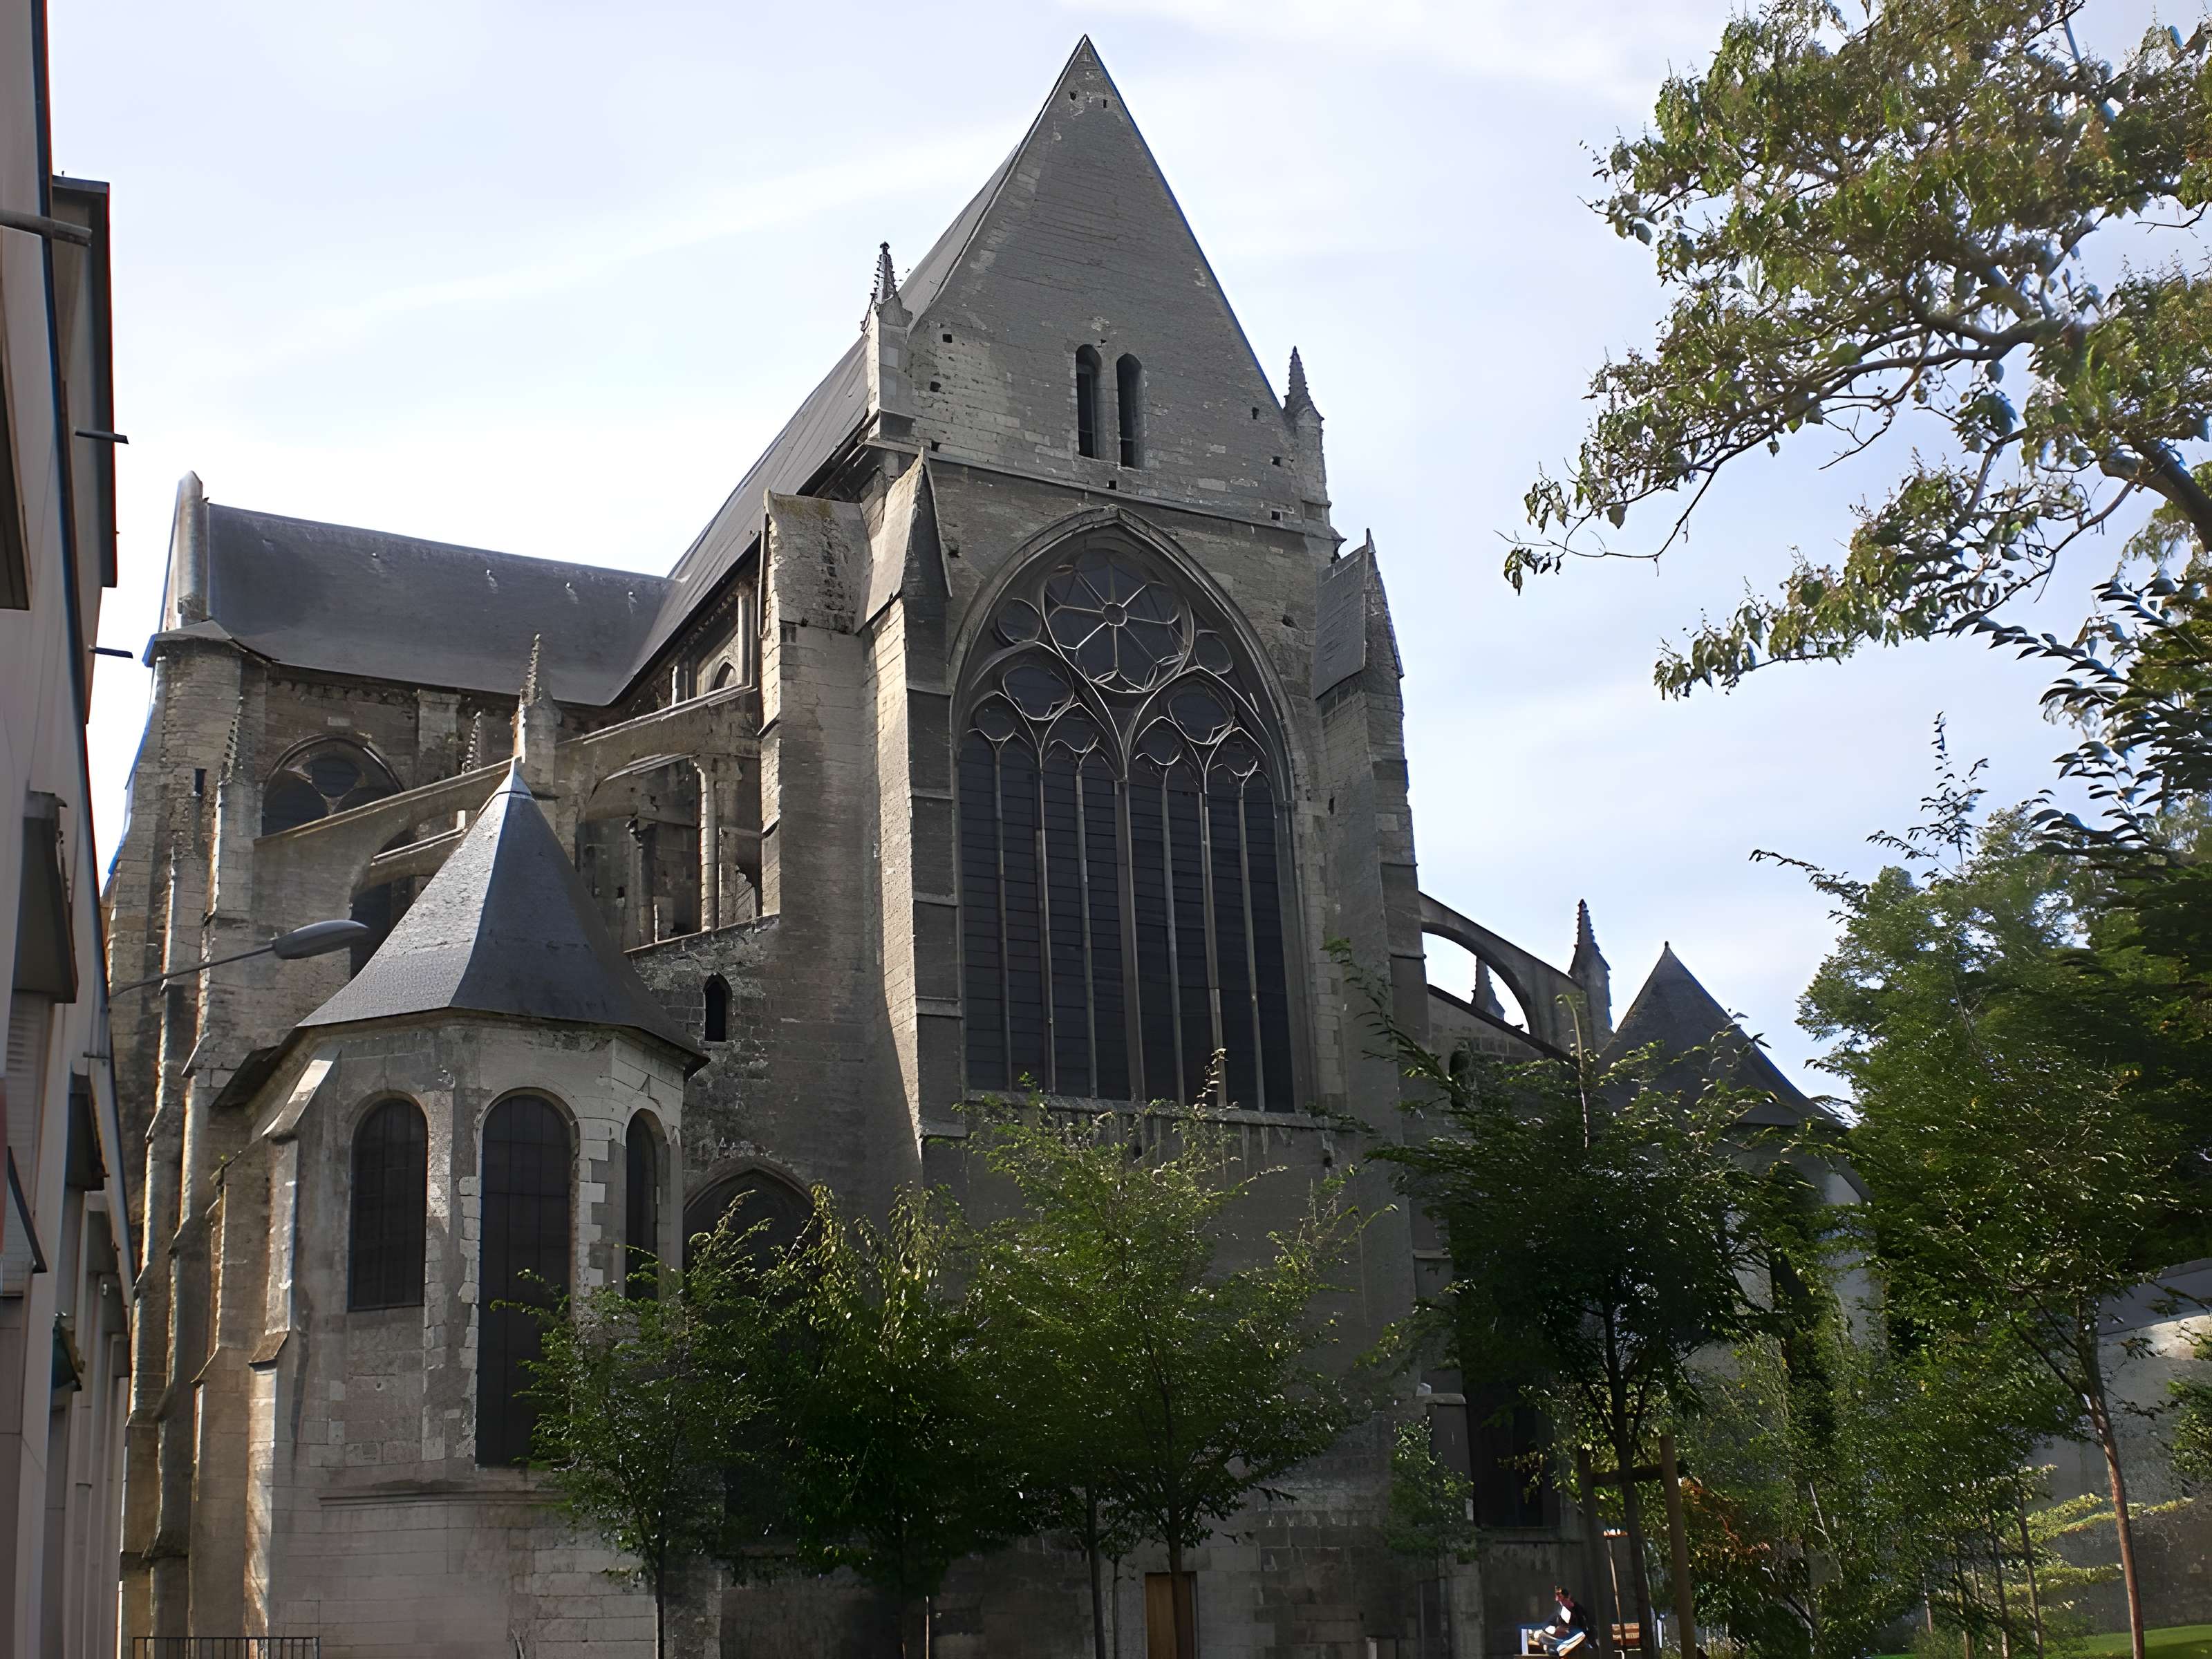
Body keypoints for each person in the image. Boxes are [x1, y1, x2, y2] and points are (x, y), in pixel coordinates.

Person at [1534, 1586, 1590, 1657]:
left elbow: (1584, 1629)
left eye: (1563, 1599)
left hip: (1576, 1642)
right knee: (1543, 1637)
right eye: (1560, 1601)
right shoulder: (1559, 1613)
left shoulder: (1578, 1612)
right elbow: (1546, 1625)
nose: (1561, 1602)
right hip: (1561, 1642)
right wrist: (1553, 1629)